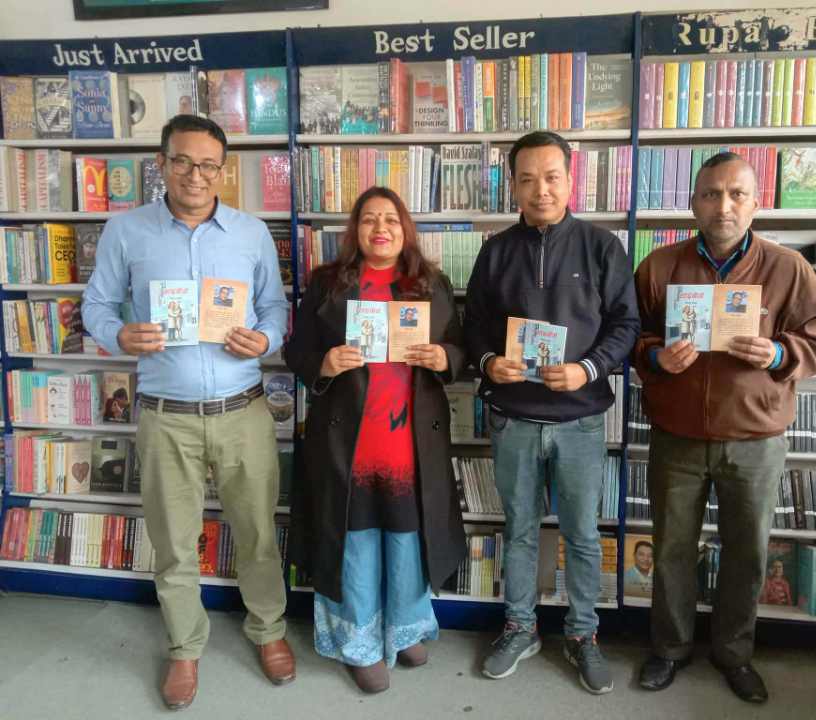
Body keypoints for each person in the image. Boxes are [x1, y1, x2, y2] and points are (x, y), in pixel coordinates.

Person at [82, 114, 294, 711]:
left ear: (222, 170)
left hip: (243, 411)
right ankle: (183, 645)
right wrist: (119, 334)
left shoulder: (251, 233)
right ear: (162, 163)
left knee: (257, 533)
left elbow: (275, 308)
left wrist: (266, 337)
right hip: (166, 415)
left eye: (207, 165)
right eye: (182, 161)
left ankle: (268, 630)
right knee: (174, 543)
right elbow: (96, 305)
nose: (195, 175)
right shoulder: (126, 231)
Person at [633, 151, 816, 704]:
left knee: (747, 553)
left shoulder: (788, 268)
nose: (723, 206)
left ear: (755, 202)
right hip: (677, 434)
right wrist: (655, 358)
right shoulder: (659, 266)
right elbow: (630, 338)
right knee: (672, 549)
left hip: (755, 439)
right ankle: (670, 649)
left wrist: (778, 352)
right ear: (693, 202)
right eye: (710, 194)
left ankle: (734, 654)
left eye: (736, 194)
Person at [465, 131, 640, 695]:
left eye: (551, 177)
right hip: (513, 418)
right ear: (512, 186)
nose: (540, 189)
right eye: (527, 179)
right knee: (517, 530)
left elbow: (626, 324)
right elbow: (473, 326)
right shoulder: (495, 250)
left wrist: (589, 368)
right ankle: (520, 627)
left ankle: (583, 632)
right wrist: (489, 362)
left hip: (580, 420)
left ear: (571, 179)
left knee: (582, 534)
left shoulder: (602, 247)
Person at [285, 186, 467, 694]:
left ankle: (405, 627)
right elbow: (297, 351)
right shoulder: (328, 284)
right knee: (357, 541)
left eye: (390, 219)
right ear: (355, 230)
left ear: (404, 229)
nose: (380, 228)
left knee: (408, 537)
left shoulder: (431, 284)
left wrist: (444, 358)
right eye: (369, 219)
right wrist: (324, 364)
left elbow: (460, 346)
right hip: (348, 442)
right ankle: (360, 643)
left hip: (410, 441)